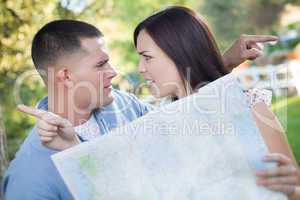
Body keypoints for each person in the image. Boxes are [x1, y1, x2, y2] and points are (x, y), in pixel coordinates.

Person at [3, 15, 281, 200]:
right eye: (101, 65)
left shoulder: (123, 106)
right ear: (65, 76)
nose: (115, 72)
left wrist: (221, 62)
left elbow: (183, 114)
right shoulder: (30, 178)